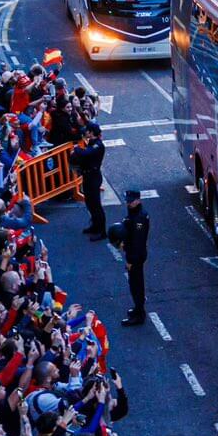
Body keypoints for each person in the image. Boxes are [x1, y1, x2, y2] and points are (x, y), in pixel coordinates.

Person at [115, 189, 151, 326]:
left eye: (131, 201)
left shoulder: (139, 219)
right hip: (135, 254)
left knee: (136, 285)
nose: (128, 204)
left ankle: (139, 314)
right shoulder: (135, 214)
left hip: (136, 257)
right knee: (135, 283)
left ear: (138, 200)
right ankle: (137, 309)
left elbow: (138, 243)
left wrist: (130, 261)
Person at [72, 127, 108, 239]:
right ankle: (95, 225)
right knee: (89, 203)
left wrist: (77, 149)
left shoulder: (98, 145)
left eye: (87, 131)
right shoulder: (91, 142)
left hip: (93, 177)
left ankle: (102, 231)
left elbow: (87, 153)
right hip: (87, 176)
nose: (85, 133)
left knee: (96, 205)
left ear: (92, 132)